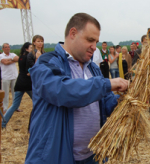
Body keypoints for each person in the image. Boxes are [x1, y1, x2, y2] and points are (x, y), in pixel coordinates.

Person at [25, 13, 128, 164]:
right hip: (56, 157)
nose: (94, 46)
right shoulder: (47, 62)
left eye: (96, 41)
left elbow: (106, 104)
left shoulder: (93, 69)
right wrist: (107, 84)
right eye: (90, 40)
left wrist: (126, 101)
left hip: (92, 156)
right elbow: (62, 91)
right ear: (73, 33)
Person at [2, 42, 33, 128]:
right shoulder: (29, 57)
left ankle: (3, 123)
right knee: (38, 103)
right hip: (28, 84)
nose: (32, 49)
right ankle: (35, 124)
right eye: (31, 47)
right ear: (27, 49)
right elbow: (30, 70)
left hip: (19, 83)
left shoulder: (21, 57)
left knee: (14, 105)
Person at [0, 43, 19, 113]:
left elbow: (18, 59)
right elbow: (5, 62)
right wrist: (12, 60)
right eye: (6, 47)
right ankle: (5, 108)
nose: (7, 48)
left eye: (8, 47)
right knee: (5, 94)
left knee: (15, 93)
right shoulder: (1, 56)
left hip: (14, 76)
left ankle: (15, 107)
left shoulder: (13, 54)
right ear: (3, 49)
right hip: (6, 77)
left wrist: (9, 60)